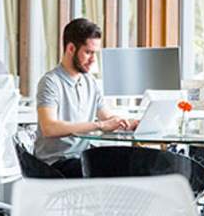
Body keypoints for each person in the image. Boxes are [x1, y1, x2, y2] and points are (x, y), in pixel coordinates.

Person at [34, 18, 135, 178]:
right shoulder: (50, 82)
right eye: (88, 52)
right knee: (112, 172)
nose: (93, 60)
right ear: (71, 48)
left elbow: (107, 117)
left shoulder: (90, 82)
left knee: (132, 162)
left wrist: (127, 123)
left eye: (95, 53)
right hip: (56, 163)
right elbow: (49, 127)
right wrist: (99, 125)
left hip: (83, 158)